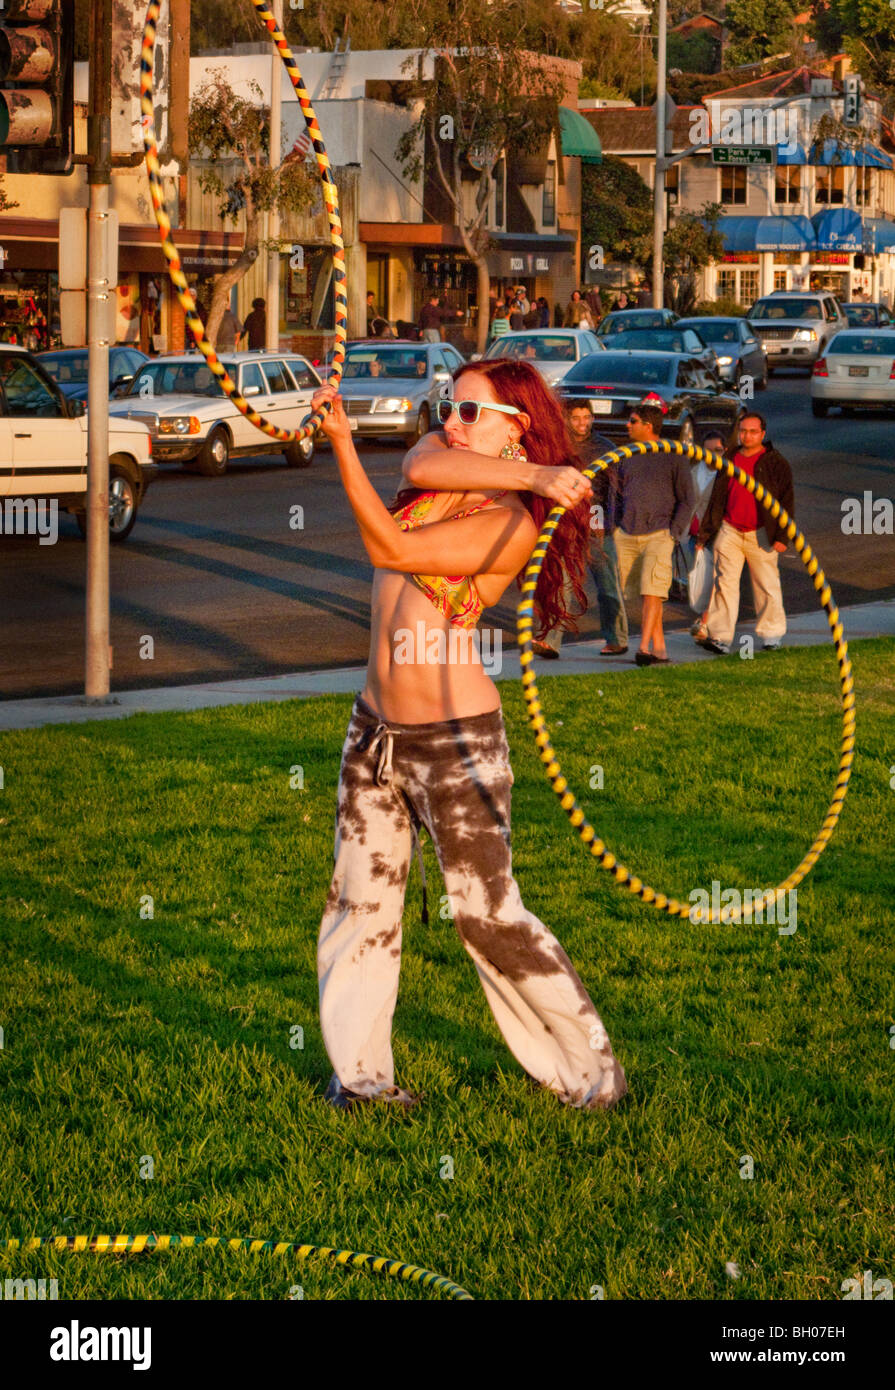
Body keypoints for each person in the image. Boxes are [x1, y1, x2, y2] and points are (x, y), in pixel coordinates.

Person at [310, 358, 627, 1114]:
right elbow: (422, 460)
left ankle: (592, 1078)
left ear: (518, 426)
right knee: (358, 907)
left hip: (456, 744)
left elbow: (390, 549)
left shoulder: (512, 525)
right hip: (373, 731)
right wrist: (537, 471)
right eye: (449, 406)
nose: (450, 422)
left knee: (488, 918)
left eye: (471, 412)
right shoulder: (436, 468)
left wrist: (343, 447)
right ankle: (361, 1081)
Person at [532, 399, 628, 660]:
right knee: (560, 585)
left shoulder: (604, 448)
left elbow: (617, 489)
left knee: (607, 584)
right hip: (565, 520)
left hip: (597, 520)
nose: (582, 423)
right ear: (566, 419)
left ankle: (617, 639)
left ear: (592, 418)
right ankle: (550, 641)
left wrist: (610, 523)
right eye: (576, 418)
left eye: (586, 417)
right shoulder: (558, 446)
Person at [695, 412, 793, 654]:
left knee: (766, 584)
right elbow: (716, 498)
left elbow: (787, 500)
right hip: (730, 529)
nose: (747, 436)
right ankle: (720, 637)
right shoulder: (729, 458)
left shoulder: (775, 462)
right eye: (743, 431)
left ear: (762, 434)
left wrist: (782, 537)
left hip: (761, 532)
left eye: (752, 432)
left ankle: (772, 636)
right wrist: (705, 534)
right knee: (724, 584)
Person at [613, 395, 695, 665]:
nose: (627, 425)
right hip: (628, 533)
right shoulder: (626, 455)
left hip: (659, 533)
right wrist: (614, 526)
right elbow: (615, 495)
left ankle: (643, 648)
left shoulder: (673, 456)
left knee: (653, 591)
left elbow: (688, 499)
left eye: (633, 421)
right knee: (645, 594)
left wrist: (674, 531)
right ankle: (660, 649)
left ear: (648, 426)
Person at [688, 430, 727, 642]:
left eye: (718, 450)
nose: (713, 455)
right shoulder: (692, 472)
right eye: (708, 450)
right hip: (694, 536)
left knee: (716, 580)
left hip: (717, 535)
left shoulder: (728, 475)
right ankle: (705, 620)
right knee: (700, 580)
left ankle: (705, 623)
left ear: (725, 450)